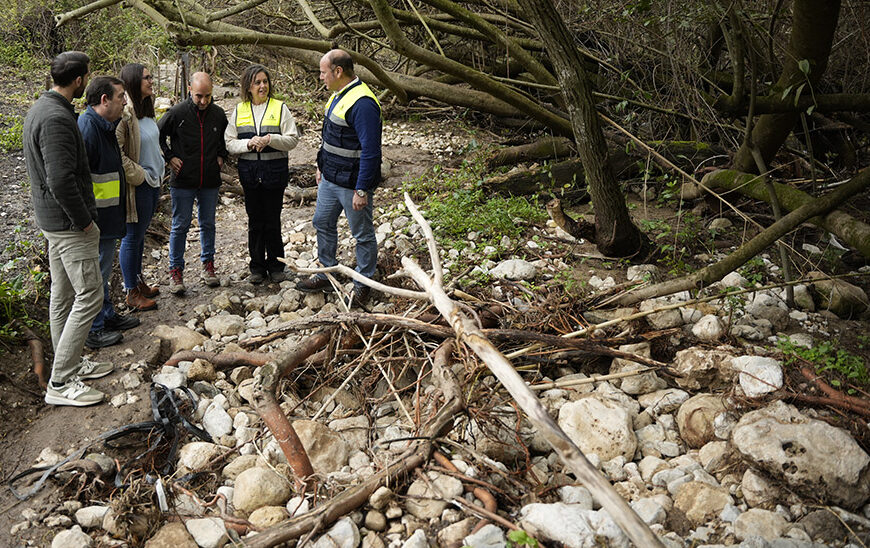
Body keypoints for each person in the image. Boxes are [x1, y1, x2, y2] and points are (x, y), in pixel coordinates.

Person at [23, 51, 113, 406]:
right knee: (90, 295)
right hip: (68, 225)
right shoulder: (57, 119)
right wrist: (85, 221)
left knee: (62, 296)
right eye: (86, 77)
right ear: (79, 80)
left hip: (53, 222)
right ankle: (60, 382)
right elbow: (60, 180)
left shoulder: (40, 108)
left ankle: (69, 363)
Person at [298, 50, 382, 307]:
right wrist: (320, 166)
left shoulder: (363, 104)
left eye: (323, 72)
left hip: (352, 184)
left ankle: (364, 283)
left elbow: (371, 151)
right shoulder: (337, 95)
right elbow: (329, 138)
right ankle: (327, 272)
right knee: (322, 222)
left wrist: (362, 189)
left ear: (338, 72)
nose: (320, 77)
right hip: (330, 178)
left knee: (362, 234)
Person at [79, 76, 141, 349]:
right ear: (104, 100)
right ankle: (94, 329)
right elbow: (81, 179)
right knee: (96, 275)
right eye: (120, 97)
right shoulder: (89, 129)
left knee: (103, 272)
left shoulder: (105, 126)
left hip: (108, 217)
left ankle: (106, 315)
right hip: (97, 220)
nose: (125, 101)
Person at [225, 64, 300, 284]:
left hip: (274, 174)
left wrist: (270, 139)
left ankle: (276, 267)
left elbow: (292, 139)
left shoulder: (280, 108)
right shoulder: (239, 110)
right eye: (257, 82)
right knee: (255, 221)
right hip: (249, 175)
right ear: (248, 86)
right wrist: (248, 143)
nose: (262, 86)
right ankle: (257, 267)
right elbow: (229, 142)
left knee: (273, 220)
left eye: (265, 81)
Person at [158, 72, 228, 294]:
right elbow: (157, 136)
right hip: (183, 179)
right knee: (180, 225)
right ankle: (175, 271)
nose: (203, 101)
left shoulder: (218, 114)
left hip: (209, 179)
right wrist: (169, 157)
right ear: (190, 90)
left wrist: (221, 155)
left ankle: (208, 266)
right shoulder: (177, 113)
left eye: (207, 96)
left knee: (208, 224)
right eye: (199, 96)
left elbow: (225, 139)